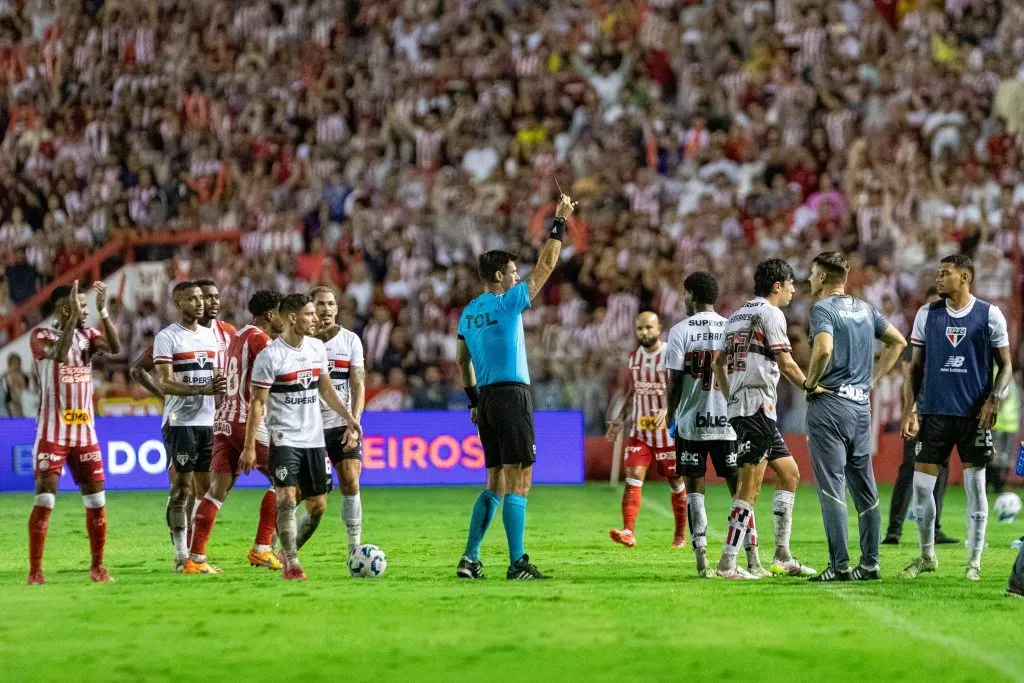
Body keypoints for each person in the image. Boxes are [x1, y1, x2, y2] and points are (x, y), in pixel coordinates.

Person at [454, 193, 576, 581]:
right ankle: (518, 562)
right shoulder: (506, 303)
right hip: (512, 396)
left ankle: (470, 558)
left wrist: (473, 400)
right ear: (497, 279)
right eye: (511, 271)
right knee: (519, 480)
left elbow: (462, 361)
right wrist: (559, 222)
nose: (517, 276)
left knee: (493, 481)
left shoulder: (469, 312)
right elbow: (547, 264)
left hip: (487, 399)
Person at [900, 255, 1013, 582]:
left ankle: (974, 561)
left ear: (965, 278)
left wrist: (994, 399)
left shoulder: (989, 315)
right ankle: (926, 556)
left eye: (945, 274)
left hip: (973, 417)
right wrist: (911, 409)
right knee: (921, 489)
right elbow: (915, 367)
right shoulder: (927, 314)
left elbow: (1005, 364)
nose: (939, 278)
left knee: (976, 488)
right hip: (934, 414)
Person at [802, 252, 907, 582]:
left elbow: (823, 349)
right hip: (861, 407)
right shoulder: (866, 308)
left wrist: (810, 381)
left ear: (822, 278)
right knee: (865, 488)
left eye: (811, 273)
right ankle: (871, 563)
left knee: (832, 487)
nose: (808, 278)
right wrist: (873, 380)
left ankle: (839, 565)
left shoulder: (822, 309)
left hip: (830, 405)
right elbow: (898, 341)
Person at [244, 293, 362, 580]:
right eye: (309, 314)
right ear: (293, 319)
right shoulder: (270, 356)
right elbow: (257, 403)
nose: (316, 318)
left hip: (314, 440)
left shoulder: (316, 349)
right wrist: (249, 446)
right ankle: (291, 564)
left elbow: (325, 389)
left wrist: (349, 418)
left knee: (318, 506)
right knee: (286, 498)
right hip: (284, 439)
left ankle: (284, 552)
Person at [711, 259, 815, 579]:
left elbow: (718, 363)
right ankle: (728, 563)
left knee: (789, 474)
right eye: (790, 283)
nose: (794, 290)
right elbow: (785, 361)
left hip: (749, 406)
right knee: (749, 487)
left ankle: (782, 555)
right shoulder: (771, 314)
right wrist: (812, 387)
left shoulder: (736, 315)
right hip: (756, 407)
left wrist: (731, 398)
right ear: (777, 286)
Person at [26, 280, 121, 584]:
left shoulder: (89, 335)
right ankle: (35, 571)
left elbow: (116, 348)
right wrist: (69, 321)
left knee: (96, 502)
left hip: (84, 432)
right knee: (45, 501)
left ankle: (97, 567)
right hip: (52, 432)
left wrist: (103, 310)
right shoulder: (40, 335)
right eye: (80, 304)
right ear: (64, 307)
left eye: (85, 304)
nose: (84, 309)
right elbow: (58, 353)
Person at [186, 291, 285, 574]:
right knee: (286, 478)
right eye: (280, 313)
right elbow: (274, 378)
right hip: (246, 421)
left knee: (216, 491)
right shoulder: (261, 340)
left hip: (223, 422)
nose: (282, 320)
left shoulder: (236, 338)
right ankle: (262, 549)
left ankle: (196, 558)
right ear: (270, 315)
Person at [664, 272, 738, 578]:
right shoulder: (731, 327)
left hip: (692, 421)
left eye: (684, 294)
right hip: (728, 421)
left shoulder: (679, 331)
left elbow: (676, 380)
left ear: (691, 295)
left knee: (695, 488)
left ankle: (701, 560)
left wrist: (671, 414)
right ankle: (747, 555)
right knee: (740, 489)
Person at [152, 281, 227, 572]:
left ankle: (196, 555)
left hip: (208, 423)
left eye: (201, 298)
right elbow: (165, 381)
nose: (199, 303)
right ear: (178, 303)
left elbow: (217, 380)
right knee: (182, 489)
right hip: (180, 422)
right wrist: (200, 390)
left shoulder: (211, 337)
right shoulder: (167, 337)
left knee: (204, 490)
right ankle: (181, 556)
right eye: (192, 299)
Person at [606, 312, 688, 549]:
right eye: (640, 328)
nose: (644, 332)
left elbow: (681, 388)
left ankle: (680, 535)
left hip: (667, 433)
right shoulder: (633, 357)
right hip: (640, 430)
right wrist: (621, 418)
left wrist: (670, 410)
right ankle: (629, 531)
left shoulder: (670, 355)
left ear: (659, 328)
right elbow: (634, 390)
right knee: (633, 476)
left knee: (675, 482)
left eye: (649, 328)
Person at [883, 288, 957, 546]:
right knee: (909, 469)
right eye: (931, 305)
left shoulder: (951, 337)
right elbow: (908, 376)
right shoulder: (916, 338)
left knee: (942, 469)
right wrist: (910, 410)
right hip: (921, 411)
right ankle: (894, 529)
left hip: (945, 412)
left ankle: (934, 528)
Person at [308, 286, 367, 554]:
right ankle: (276, 544)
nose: (326, 309)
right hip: (310, 428)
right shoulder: (303, 342)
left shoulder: (350, 340)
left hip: (342, 425)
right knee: (303, 494)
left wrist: (354, 422)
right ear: (311, 308)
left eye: (331, 304)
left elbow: (358, 384)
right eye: (321, 304)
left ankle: (354, 547)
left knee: (351, 481)